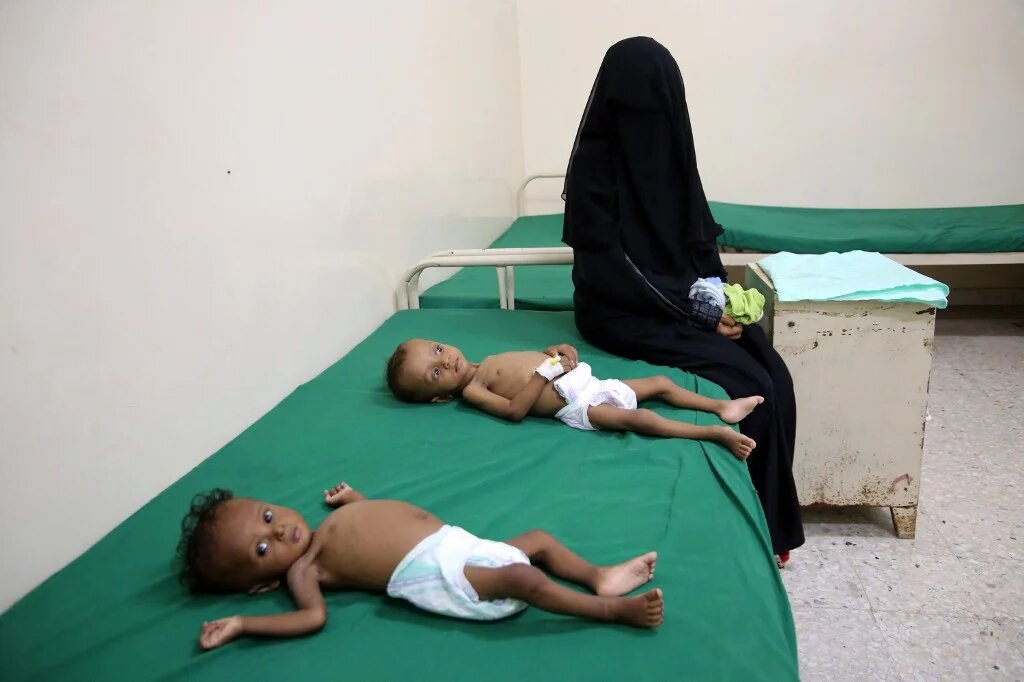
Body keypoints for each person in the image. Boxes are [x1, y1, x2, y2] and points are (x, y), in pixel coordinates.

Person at [561, 36, 804, 562]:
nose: (650, 121)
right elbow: (612, 270)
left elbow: (698, 237)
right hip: (618, 310)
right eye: (638, 109)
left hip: (681, 301)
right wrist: (696, 311)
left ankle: (773, 520)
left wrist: (719, 294)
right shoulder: (593, 172)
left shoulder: (673, 153)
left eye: (660, 107)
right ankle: (756, 530)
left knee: (775, 375)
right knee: (749, 383)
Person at [178, 483, 665, 650]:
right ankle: (610, 611)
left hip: (454, 542)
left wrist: (354, 500)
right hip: (435, 573)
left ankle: (598, 576)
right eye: (263, 550)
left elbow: (375, 523)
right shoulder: (305, 569)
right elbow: (311, 617)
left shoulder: (326, 526)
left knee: (537, 540)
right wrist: (242, 625)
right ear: (261, 585)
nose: (280, 531)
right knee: (522, 578)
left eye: (268, 517)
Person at [386, 338, 763, 459]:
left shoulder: (489, 359)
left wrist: (554, 352)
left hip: (585, 382)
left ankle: (721, 406)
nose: (445, 361)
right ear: (438, 398)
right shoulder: (472, 390)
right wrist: (544, 374)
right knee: (639, 419)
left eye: (437, 350)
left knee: (661, 383)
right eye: (435, 374)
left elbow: (533, 361)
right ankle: (714, 433)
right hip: (576, 406)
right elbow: (515, 411)